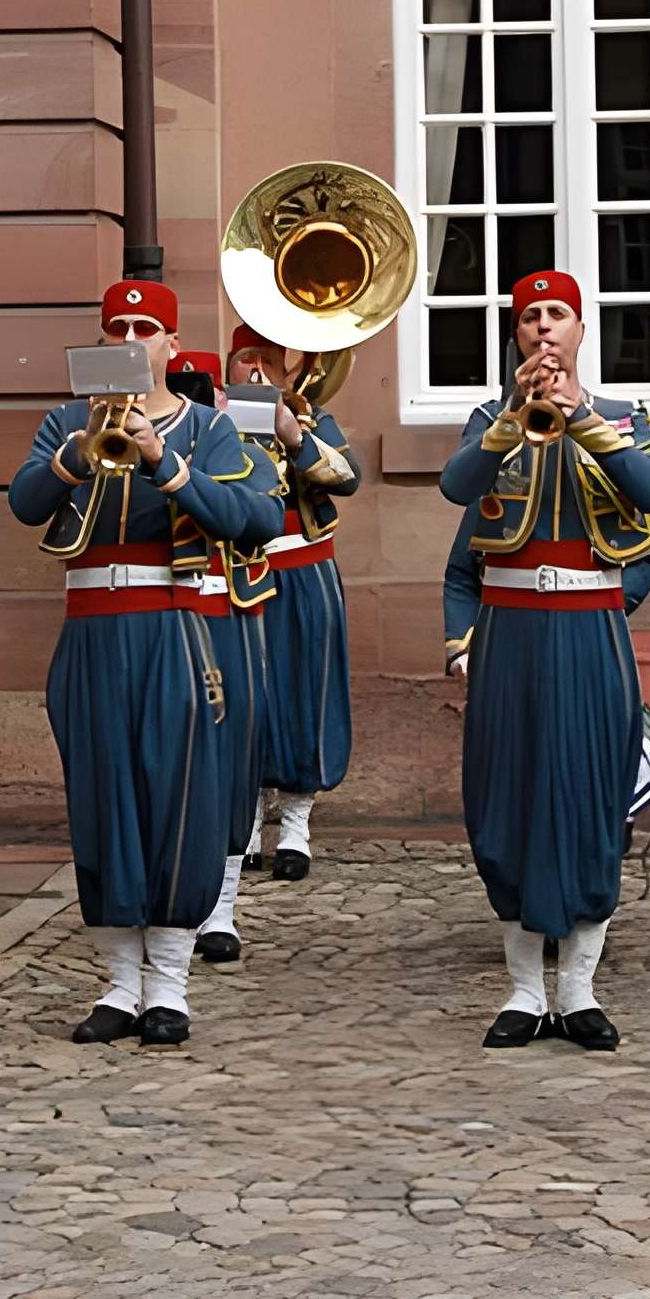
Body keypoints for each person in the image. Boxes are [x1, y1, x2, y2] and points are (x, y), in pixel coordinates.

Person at [8, 279, 280, 1048]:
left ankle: (168, 984)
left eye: (145, 328)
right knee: (103, 800)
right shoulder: (67, 422)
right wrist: (72, 458)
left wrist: (166, 465)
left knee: (178, 798)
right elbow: (24, 504)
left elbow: (252, 517)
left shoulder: (207, 428)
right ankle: (118, 986)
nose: (131, 339)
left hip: (173, 624)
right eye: (116, 327)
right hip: (92, 629)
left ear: (169, 343)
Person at [440, 269, 650, 1051]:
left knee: (589, 792)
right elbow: (455, 486)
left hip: (588, 626)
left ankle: (579, 988)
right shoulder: (486, 417)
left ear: (581, 331)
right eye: (530, 316)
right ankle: (520, 988)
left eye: (558, 315)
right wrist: (511, 419)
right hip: (509, 625)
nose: (544, 328)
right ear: (515, 334)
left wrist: (584, 423)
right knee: (507, 793)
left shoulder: (623, 416)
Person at [230, 326, 359, 883]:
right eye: (244, 359)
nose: (256, 370)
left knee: (308, 688)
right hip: (243, 570)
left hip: (305, 568)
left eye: (268, 358)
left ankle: (298, 823)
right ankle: (252, 815)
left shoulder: (311, 416)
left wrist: (292, 432)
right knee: (252, 692)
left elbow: (348, 478)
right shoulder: (211, 420)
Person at [170, 351, 274, 969]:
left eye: (201, 392)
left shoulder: (240, 449)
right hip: (164, 614)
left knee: (232, 759)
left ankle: (222, 908)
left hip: (226, 615)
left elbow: (259, 517)